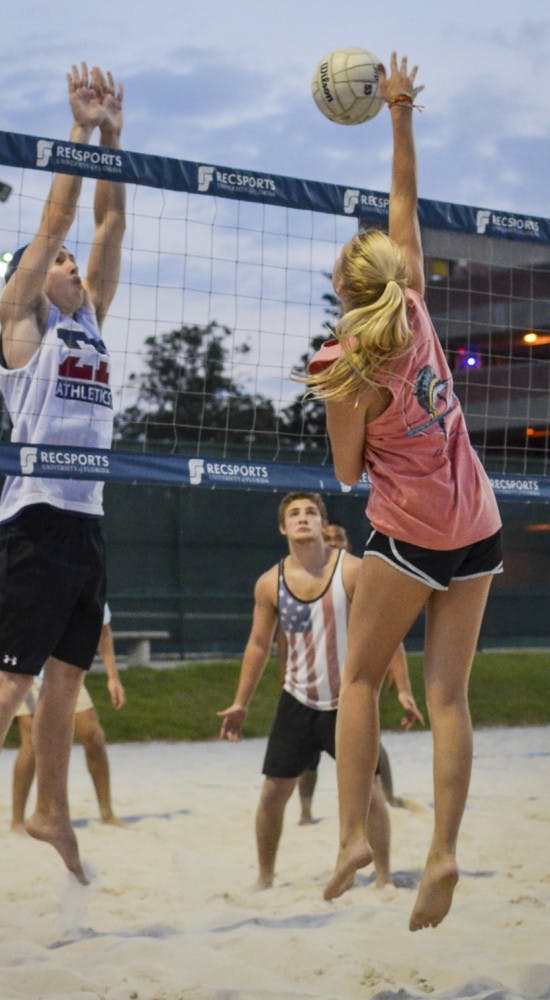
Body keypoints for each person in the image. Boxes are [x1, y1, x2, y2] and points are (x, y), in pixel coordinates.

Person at [309, 54, 503, 930]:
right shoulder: (416, 305)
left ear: (342, 294)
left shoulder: (345, 365)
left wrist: (340, 398)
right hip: (482, 521)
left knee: (356, 681)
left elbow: (348, 476)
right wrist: (397, 113)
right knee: (451, 697)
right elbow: (405, 199)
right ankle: (445, 851)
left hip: (416, 532)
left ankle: (353, 834)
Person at [0, 62, 126, 899]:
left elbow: (108, 223)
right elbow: (57, 222)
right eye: (60, 268)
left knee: (67, 677)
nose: (76, 273)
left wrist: (119, 141)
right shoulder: (25, 325)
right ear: (32, 275)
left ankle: (53, 809)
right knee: (13, 678)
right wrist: (80, 132)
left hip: (83, 519)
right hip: (37, 518)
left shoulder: (89, 319)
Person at [217, 492, 424, 891]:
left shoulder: (353, 572)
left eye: (310, 512)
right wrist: (240, 702)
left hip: (348, 702)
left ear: (322, 525)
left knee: (372, 796)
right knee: (273, 794)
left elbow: (388, 633)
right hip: (296, 699)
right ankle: (264, 878)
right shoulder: (269, 583)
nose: (302, 518)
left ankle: (383, 879)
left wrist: (404, 689)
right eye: (294, 513)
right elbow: (258, 645)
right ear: (282, 527)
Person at [283, 521, 403, 825]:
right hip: (311, 684)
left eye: (339, 537)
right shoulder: (302, 581)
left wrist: (401, 681)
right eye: (328, 538)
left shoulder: (358, 578)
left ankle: (387, 798)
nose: (334, 542)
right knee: (306, 756)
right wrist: (286, 672)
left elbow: (389, 630)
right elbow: (287, 635)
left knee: (369, 744)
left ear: (348, 545)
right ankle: (306, 812)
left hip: (351, 683)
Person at [11, 603, 125, 830]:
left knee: (93, 735)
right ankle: (18, 820)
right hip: (27, 671)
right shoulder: (37, 576)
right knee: (33, 744)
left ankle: (107, 813)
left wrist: (113, 677)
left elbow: (103, 632)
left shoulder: (92, 582)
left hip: (66, 675)